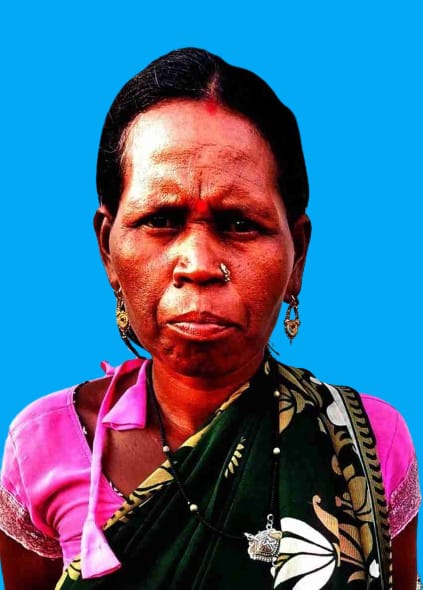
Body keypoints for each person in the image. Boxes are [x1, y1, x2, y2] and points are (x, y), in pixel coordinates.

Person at [0, 48, 420, 590]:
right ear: (108, 248)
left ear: (297, 254)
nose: (198, 264)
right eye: (160, 220)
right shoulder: (46, 443)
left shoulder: (367, 443)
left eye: (240, 223)